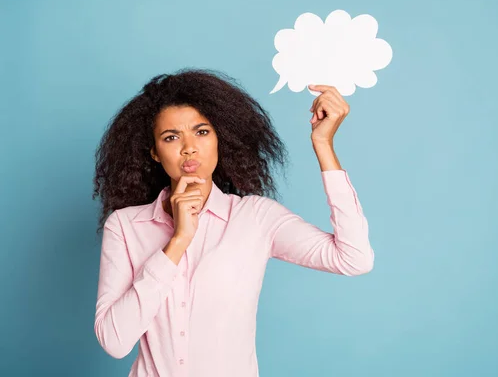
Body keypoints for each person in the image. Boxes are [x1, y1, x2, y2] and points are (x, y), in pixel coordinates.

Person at [92, 68, 374, 377]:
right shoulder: (125, 226)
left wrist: (323, 145)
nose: (189, 147)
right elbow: (115, 341)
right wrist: (178, 242)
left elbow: (354, 258)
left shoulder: (255, 218)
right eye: (171, 137)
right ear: (155, 153)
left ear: (218, 139)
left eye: (201, 132)